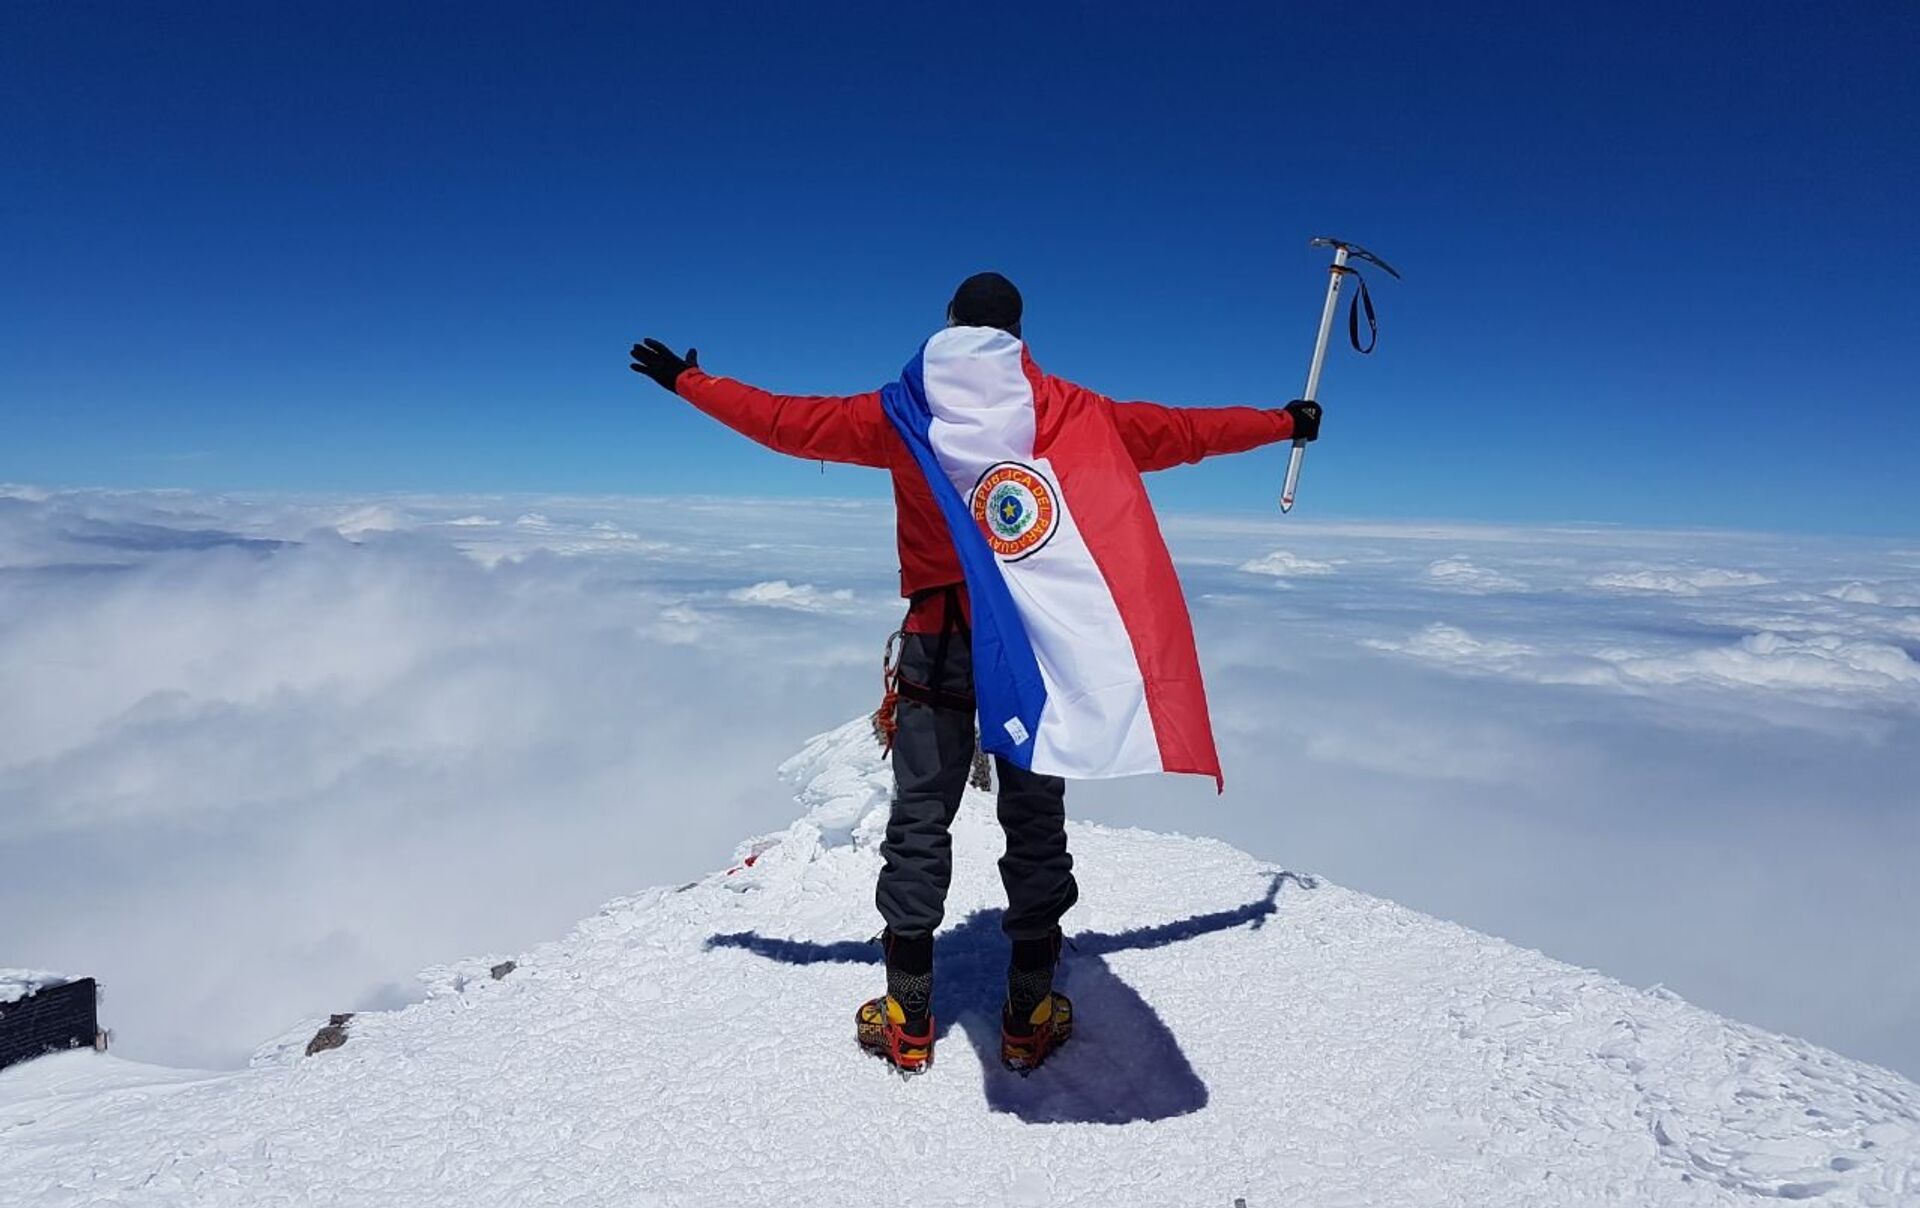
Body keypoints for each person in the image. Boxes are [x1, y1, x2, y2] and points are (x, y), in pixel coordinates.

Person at [629, 272, 1321, 1075]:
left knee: (921, 818)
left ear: (950, 322)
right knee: (1034, 820)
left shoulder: (900, 413)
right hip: (1034, 649)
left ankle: (908, 1016)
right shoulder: (1072, 411)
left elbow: (784, 422)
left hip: (938, 641)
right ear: (1017, 335)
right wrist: (1283, 421)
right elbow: (1184, 432)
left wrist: (690, 382)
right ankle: (1028, 1014)